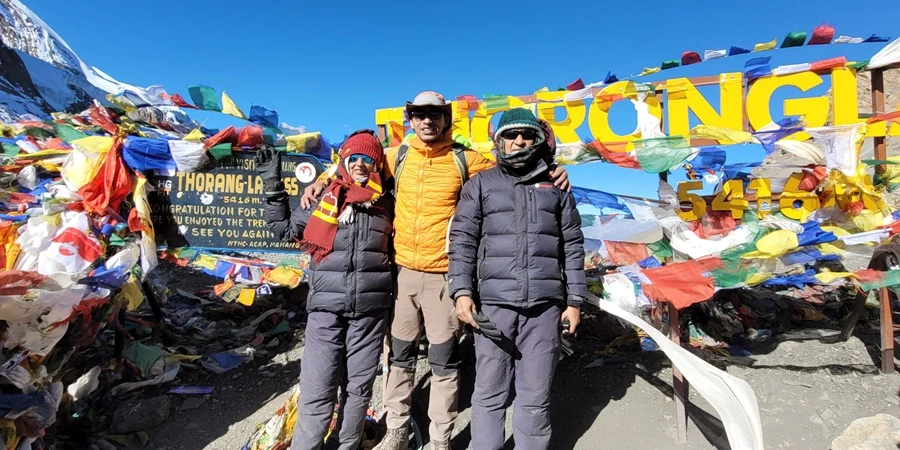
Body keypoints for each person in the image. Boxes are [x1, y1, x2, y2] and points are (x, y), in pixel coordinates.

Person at [301, 92, 570, 450]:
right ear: (411, 120)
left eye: (435, 114)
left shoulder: (465, 159)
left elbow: (515, 165)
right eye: (420, 114)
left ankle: (440, 438)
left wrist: (551, 167)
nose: (427, 120)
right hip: (402, 274)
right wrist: (323, 179)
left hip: (443, 276)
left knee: (444, 362)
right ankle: (397, 429)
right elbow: (355, 162)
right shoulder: (396, 156)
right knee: (399, 357)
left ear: (446, 119)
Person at [447, 107, 587, 450]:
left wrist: (574, 301)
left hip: (544, 309)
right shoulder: (480, 184)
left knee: (535, 397)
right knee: (490, 393)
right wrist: (461, 291)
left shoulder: (556, 187)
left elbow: (572, 245)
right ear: (500, 141)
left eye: (527, 135)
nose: (519, 141)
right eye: (511, 135)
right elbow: (462, 242)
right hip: (494, 307)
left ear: (538, 139)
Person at [259, 130, 394, 450]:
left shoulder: (388, 203)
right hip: (325, 311)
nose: (360, 164)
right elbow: (284, 230)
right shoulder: (324, 197)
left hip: (369, 312)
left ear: (377, 164)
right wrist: (273, 185)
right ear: (343, 160)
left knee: (358, 391)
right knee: (318, 390)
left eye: (368, 159)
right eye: (354, 157)